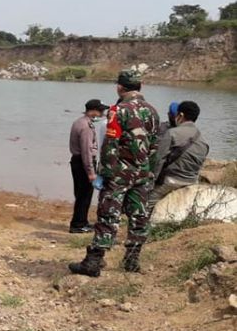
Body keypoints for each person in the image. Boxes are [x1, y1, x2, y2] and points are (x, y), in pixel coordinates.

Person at [69, 70, 160, 276]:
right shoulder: (153, 112)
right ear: (140, 86)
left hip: (119, 173)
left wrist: (104, 173)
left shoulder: (117, 111)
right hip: (142, 173)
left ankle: (93, 262)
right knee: (139, 215)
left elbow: (110, 145)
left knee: (108, 214)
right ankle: (132, 260)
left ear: (120, 87)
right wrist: (149, 171)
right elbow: (155, 146)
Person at [148, 101, 209, 215]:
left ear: (180, 115)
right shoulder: (203, 140)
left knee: (146, 204)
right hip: (191, 181)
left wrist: (151, 182)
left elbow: (158, 160)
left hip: (171, 181)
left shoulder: (172, 133)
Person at [68, 99, 109, 233]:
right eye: (100, 110)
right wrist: (91, 172)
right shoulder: (86, 127)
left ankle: (82, 221)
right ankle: (78, 224)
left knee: (81, 194)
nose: (102, 113)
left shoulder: (80, 122)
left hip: (77, 161)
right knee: (84, 195)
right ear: (92, 111)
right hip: (83, 162)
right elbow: (86, 151)